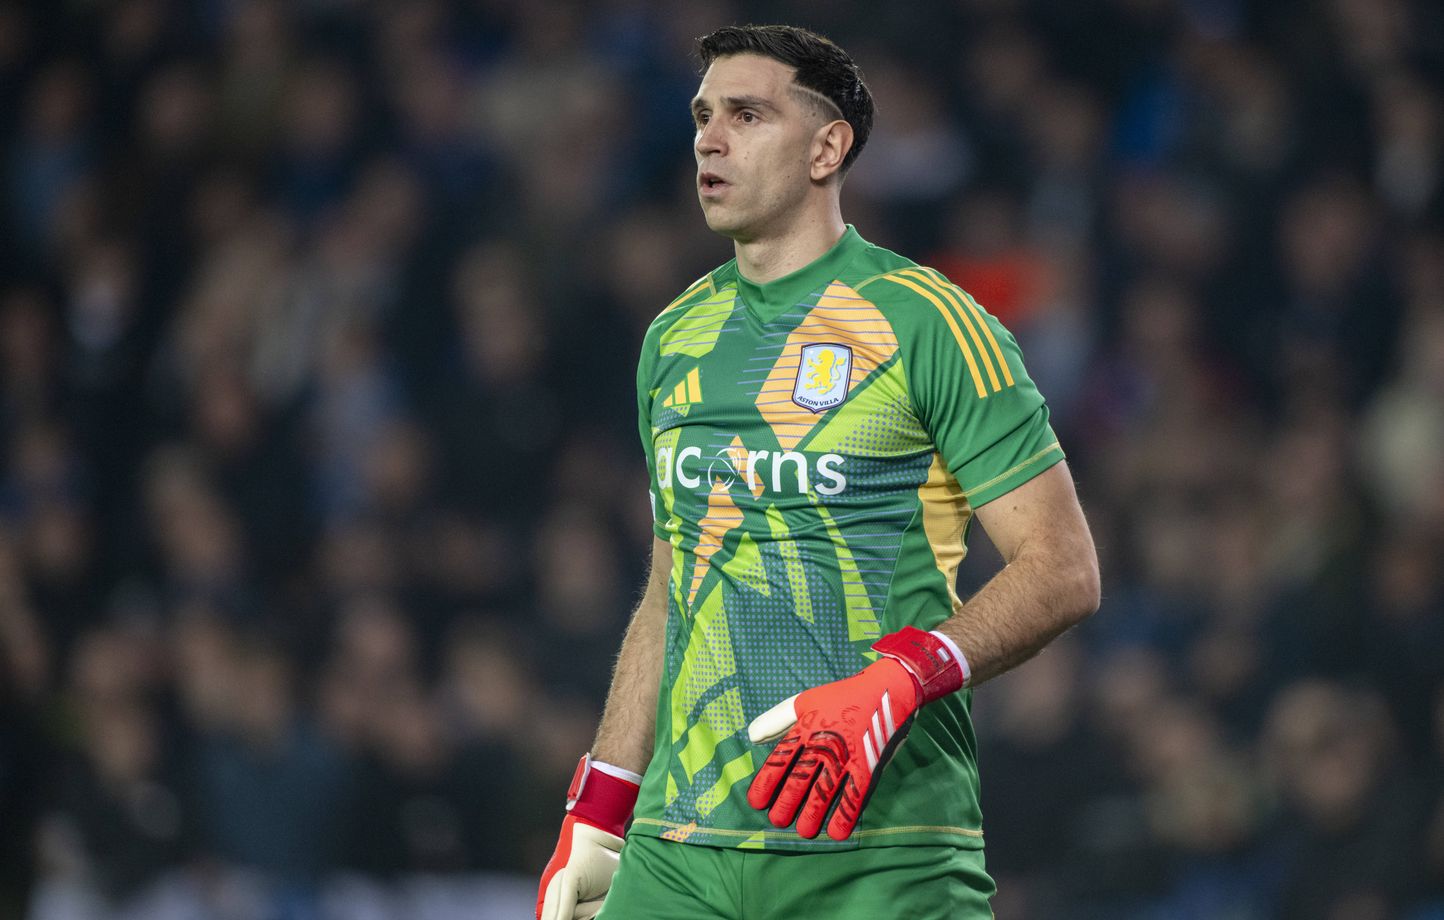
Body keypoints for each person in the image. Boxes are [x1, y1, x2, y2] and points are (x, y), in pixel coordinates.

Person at [537, 24, 1099, 920]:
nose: (708, 140)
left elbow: (1063, 569)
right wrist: (601, 808)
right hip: (683, 851)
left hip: (883, 850)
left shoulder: (930, 325)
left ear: (827, 147)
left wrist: (904, 677)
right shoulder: (671, 340)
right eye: (702, 116)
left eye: (747, 114)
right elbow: (671, 583)